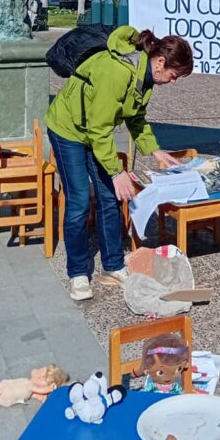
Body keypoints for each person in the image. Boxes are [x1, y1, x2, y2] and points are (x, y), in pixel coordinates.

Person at [46, 25, 193, 301]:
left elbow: (135, 117)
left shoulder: (144, 78)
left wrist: (154, 149)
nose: (174, 81)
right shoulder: (117, 71)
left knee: (110, 197)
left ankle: (113, 266)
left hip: (94, 131)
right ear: (160, 62)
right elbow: (99, 128)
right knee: (78, 201)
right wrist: (116, 172)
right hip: (68, 130)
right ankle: (78, 273)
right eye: (175, 75)